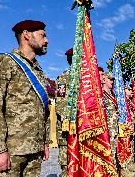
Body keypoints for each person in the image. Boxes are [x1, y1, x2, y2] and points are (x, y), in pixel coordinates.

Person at [0, 20, 50, 176]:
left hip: (34, 149)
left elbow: (44, 110)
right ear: (26, 35)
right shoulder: (4, 62)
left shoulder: (38, 71)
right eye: (42, 35)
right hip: (11, 150)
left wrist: (45, 142)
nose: (46, 40)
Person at [55, 48, 73, 177]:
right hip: (67, 124)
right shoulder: (64, 77)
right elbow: (61, 104)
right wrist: (72, 120)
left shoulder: (86, 79)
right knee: (66, 156)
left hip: (82, 126)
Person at [102, 72, 119, 168]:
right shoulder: (102, 95)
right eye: (110, 79)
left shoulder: (112, 95)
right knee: (108, 155)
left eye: (113, 80)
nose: (112, 81)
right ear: (104, 80)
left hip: (114, 129)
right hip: (107, 130)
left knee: (114, 154)